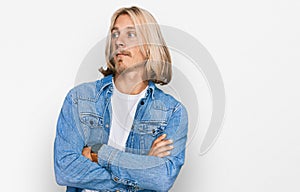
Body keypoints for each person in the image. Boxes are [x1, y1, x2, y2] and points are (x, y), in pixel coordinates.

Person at [54, 6, 188, 192]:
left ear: (150, 47)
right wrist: (141, 169)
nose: (119, 42)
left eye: (131, 35)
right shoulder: (79, 99)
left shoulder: (171, 111)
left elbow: (161, 178)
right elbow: (65, 169)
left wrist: (98, 153)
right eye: (115, 34)